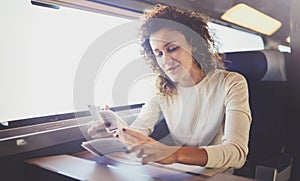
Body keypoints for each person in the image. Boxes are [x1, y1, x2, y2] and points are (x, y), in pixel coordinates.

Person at [88, 4, 251, 169]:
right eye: (158, 53)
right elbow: (138, 132)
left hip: (216, 173)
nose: (165, 60)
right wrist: (116, 131)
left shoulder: (231, 83)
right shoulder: (162, 92)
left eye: (172, 49)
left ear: (193, 44)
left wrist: (175, 154)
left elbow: (237, 153)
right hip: (179, 170)